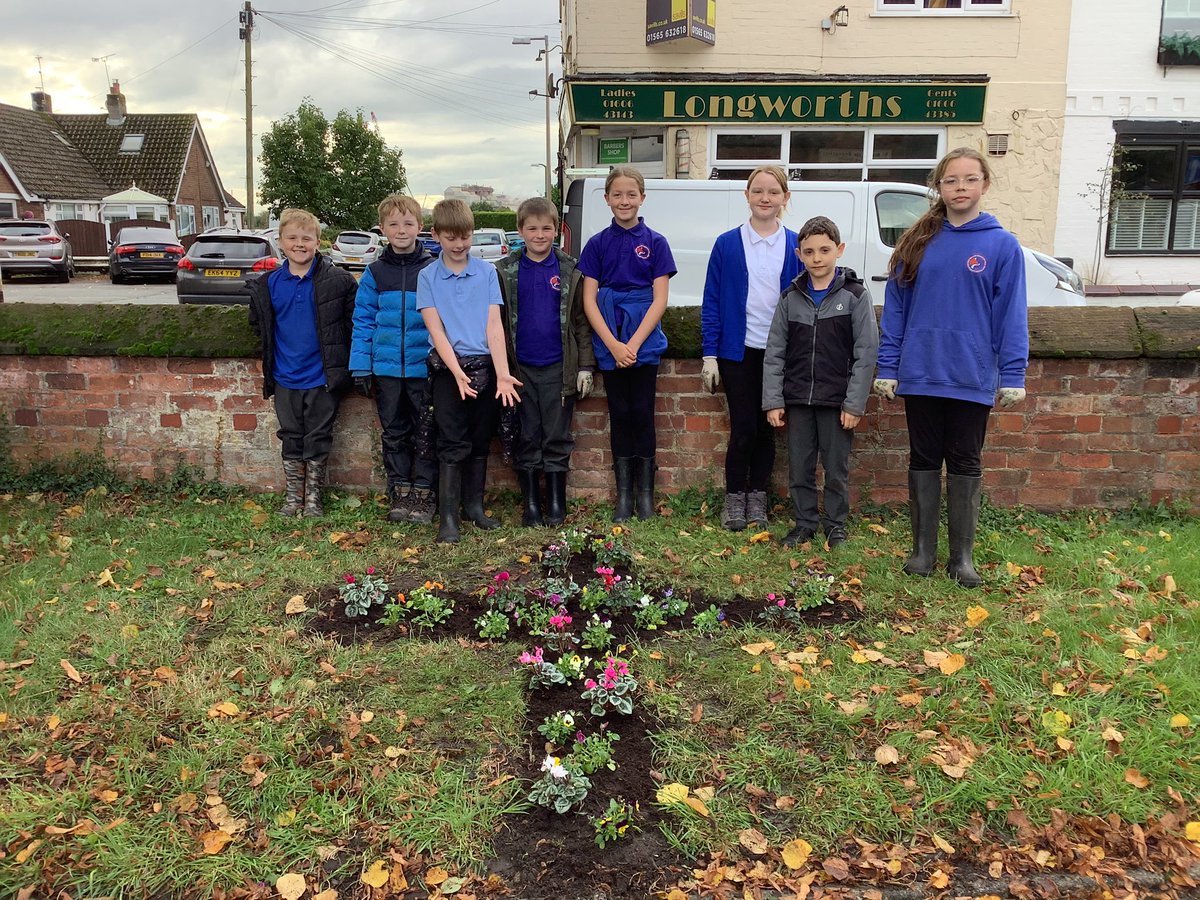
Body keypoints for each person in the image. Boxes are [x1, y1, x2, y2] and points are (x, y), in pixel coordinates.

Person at [873, 147, 1028, 587]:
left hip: (971, 375)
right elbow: (897, 310)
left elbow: (1011, 314)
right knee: (923, 458)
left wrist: (1013, 373)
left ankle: (961, 558)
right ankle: (922, 552)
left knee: (964, 460)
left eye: (969, 179)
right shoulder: (917, 241)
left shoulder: (1002, 245)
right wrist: (889, 365)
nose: (960, 188)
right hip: (921, 370)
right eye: (951, 181)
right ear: (938, 187)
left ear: (985, 184)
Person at [763, 216, 878, 550]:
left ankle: (835, 525)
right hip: (798, 399)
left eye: (825, 250)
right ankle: (804, 523)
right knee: (799, 468)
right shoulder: (790, 298)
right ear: (799, 254)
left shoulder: (855, 296)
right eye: (810, 251)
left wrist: (855, 403)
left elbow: (866, 351)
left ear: (838, 251)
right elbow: (774, 352)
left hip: (837, 401)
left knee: (835, 469)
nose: (817, 258)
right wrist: (773, 400)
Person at [701, 165, 801, 532]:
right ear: (746, 196)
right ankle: (734, 499)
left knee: (767, 427)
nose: (765, 198)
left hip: (779, 353)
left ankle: (757, 496)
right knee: (743, 426)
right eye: (757, 191)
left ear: (784, 198)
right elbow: (712, 300)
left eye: (773, 192)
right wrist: (709, 354)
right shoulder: (727, 243)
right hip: (737, 351)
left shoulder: (795, 244)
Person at [417, 199, 522, 544]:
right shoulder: (428, 277)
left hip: (486, 368)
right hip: (449, 370)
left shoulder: (488, 273)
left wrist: (503, 373)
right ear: (436, 236)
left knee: (480, 439)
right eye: (451, 238)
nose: (459, 244)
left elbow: (495, 326)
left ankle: (473, 509)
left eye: (465, 237)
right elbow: (436, 331)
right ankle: (448, 519)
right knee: (451, 441)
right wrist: (456, 372)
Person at [578, 166, 676, 522]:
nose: (624, 201)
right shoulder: (596, 244)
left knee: (642, 415)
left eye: (630, 194)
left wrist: (632, 344)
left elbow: (660, 299)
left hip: (643, 342)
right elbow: (588, 301)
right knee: (619, 415)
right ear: (606, 199)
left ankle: (645, 497)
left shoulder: (656, 243)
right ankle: (623, 498)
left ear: (642, 198)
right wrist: (614, 345)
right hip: (609, 339)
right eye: (617, 195)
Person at [248, 207, 357, 518]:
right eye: (292, 237)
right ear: (280, 241)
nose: (299, 243)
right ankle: (293, 498)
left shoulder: (339, 281)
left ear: (318, 241)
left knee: (318, 436)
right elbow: (259, 326)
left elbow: (350, 326)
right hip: (284, 376)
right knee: (292, 435)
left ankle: (313, 500)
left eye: (306, 238)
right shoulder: (267, 284)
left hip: (322, 376)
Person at [495, 196, 595, 527]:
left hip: (558, 367)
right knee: (527, 434)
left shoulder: (570, 270)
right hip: (520, 369)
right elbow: (495, 323)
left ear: (557, 231)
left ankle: (555, 502)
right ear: (521, 231)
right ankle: (531, 505)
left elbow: (581, 323)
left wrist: (585, 366)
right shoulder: (505, 271)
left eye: (547, 228)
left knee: (556, 434)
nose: (540, 235)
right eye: (533, 228)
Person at [349, 194, 438, 525]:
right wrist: (360, 365)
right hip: (386, 369)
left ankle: (425, 492)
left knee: (426, 432)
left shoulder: (432, 269)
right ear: (383, 228)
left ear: (420, 227)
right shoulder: (374, 272)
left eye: (408, 223)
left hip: (423, 368)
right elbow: (363, 319)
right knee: (394, 433)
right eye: (394, 224)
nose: (401, 230)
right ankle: (400, 490)